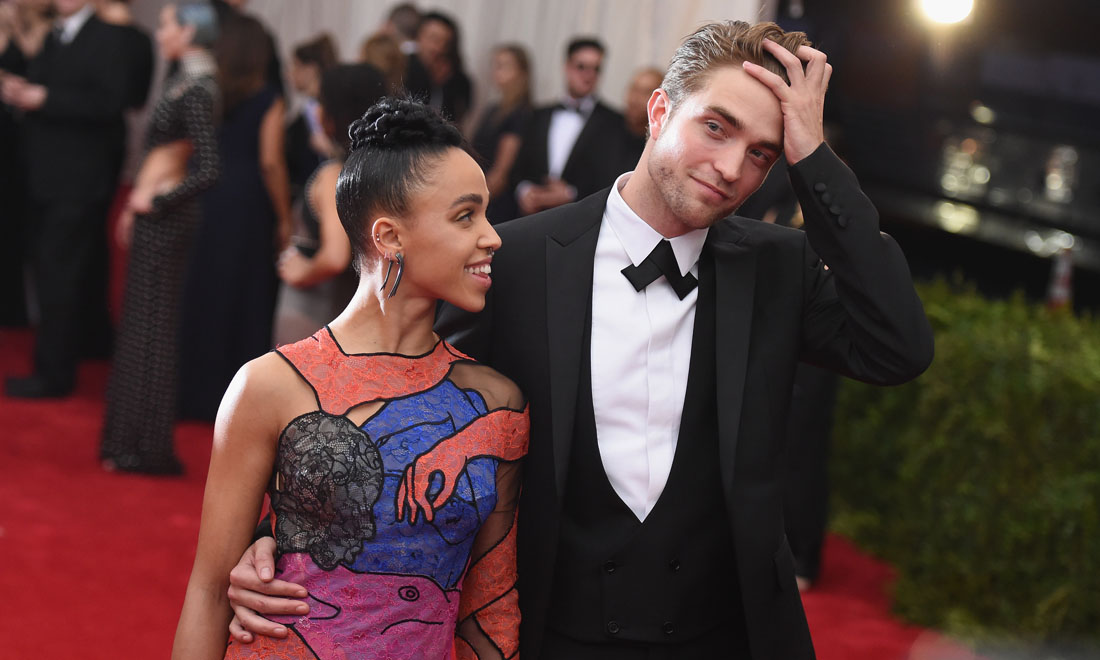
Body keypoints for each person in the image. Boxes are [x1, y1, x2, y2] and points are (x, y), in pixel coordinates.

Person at [225, 20, 934, 659]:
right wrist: (278, 538)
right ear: (659, 111)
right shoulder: (518, 258)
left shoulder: (779, 267)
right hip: (552, 630)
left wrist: (815, 159)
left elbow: (897, 346)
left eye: (762, 154)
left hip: (726, 635)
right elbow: (404, 394)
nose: (731, 168)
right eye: (715, 128)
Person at [172, 97, 529, 660]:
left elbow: (492, 609)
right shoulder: (268, 385)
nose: (493, 237)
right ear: (389, 236)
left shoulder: (496, 405)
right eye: (466, 216)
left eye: (485, 214)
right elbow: (210, 591)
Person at [99, 1, 219, 475]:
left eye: (167, 24)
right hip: (158, 218)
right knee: (141, 328)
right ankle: (128, 443)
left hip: (168, 221)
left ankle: (144, 448)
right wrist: (139, 204)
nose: (159, 31)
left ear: (189, 31)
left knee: (151, 330)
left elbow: (209, 168)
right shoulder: (187, 80)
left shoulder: (199, 87)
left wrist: (157, 201)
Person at [2, 0, 131, 397]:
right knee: (49, 272)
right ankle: (61, 360)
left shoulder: (109, 37)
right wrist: (23, 90)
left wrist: (44, 99)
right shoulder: (54, 35)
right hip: (41, 177)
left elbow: (111, 103)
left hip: (77, 180)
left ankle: (54, 375)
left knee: (59, 275)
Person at [177, 13, 291, 422]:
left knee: (200, 287)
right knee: (243, 294)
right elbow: (271, 163)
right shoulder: (268, 97)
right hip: (245, 203)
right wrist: (285, 217)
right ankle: (232, 399)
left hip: (203, 192)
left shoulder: (206, 91)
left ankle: (189, 391)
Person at [273, 63, 386, 346]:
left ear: (332, 115)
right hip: (353, 310)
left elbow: (335, 256)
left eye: (320, 102)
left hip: (312, 309)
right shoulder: (382, 174)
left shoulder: (334, 174)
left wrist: (304, 272)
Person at [510, 37, 627, 217]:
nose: (589, 75)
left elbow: (613, 179)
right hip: (530, 218)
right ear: (566, 67)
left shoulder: (614, 122)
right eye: (581, 67)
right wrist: (524, 192)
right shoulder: (537, 115)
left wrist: (572, 194)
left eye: (596, 69)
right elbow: (517, 168)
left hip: (579, 219)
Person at [469, 44, 532, 224]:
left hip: (495, 204)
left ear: (521, 73)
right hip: (480, 192)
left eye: (504, 66)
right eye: (496, 65)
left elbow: (501, 174)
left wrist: (472, 204)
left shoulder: (520, 114)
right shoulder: (494, 109)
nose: (497, 71)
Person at [401, 10, 472, 124]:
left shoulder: (457, 79)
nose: (439, 48)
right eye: (433, 39)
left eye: (446, 43)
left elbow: (458, 118)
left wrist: (443, 85)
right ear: (418, 36)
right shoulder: (402, 66)